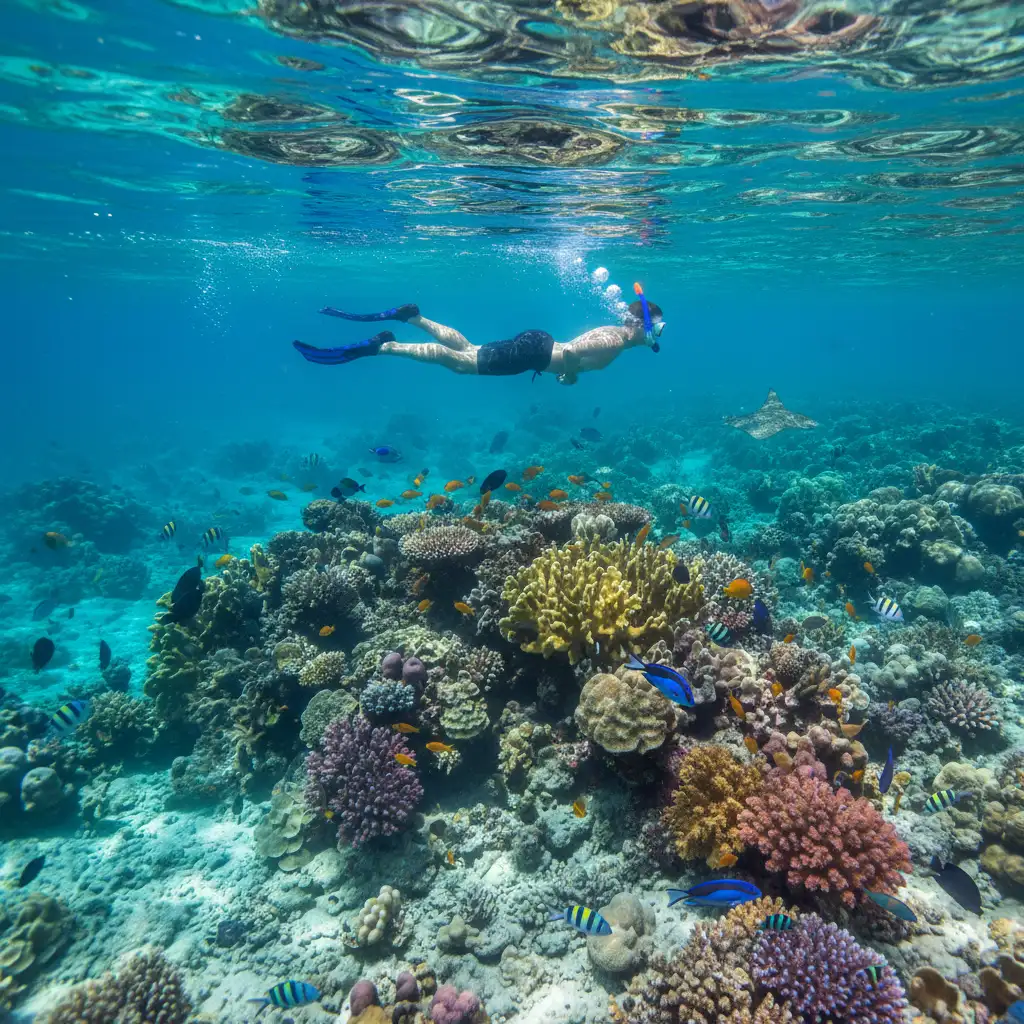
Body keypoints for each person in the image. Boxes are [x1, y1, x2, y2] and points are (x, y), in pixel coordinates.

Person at [291, 292, 665, 385]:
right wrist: (571, 375)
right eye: (657, 327)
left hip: (536, 345)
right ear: (641, 325)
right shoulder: (615, 342)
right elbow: (574, 352)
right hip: (535, 355)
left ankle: (413, 317)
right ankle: (384, 346)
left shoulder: (615, 332)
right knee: (458, 363)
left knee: (469, 349)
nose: (658, 335)